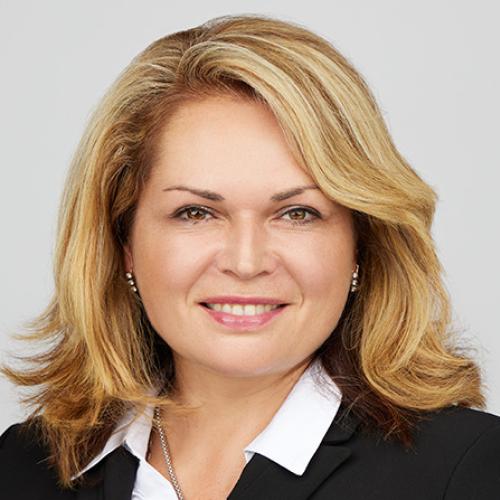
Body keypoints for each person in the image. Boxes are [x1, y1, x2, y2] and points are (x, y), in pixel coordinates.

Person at [1, 13, 499, 500]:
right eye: (196, 213)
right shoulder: (22, 468)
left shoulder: (468, 470)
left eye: (297, 214)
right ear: (124, 243)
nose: (245, 262)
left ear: (361, 245)